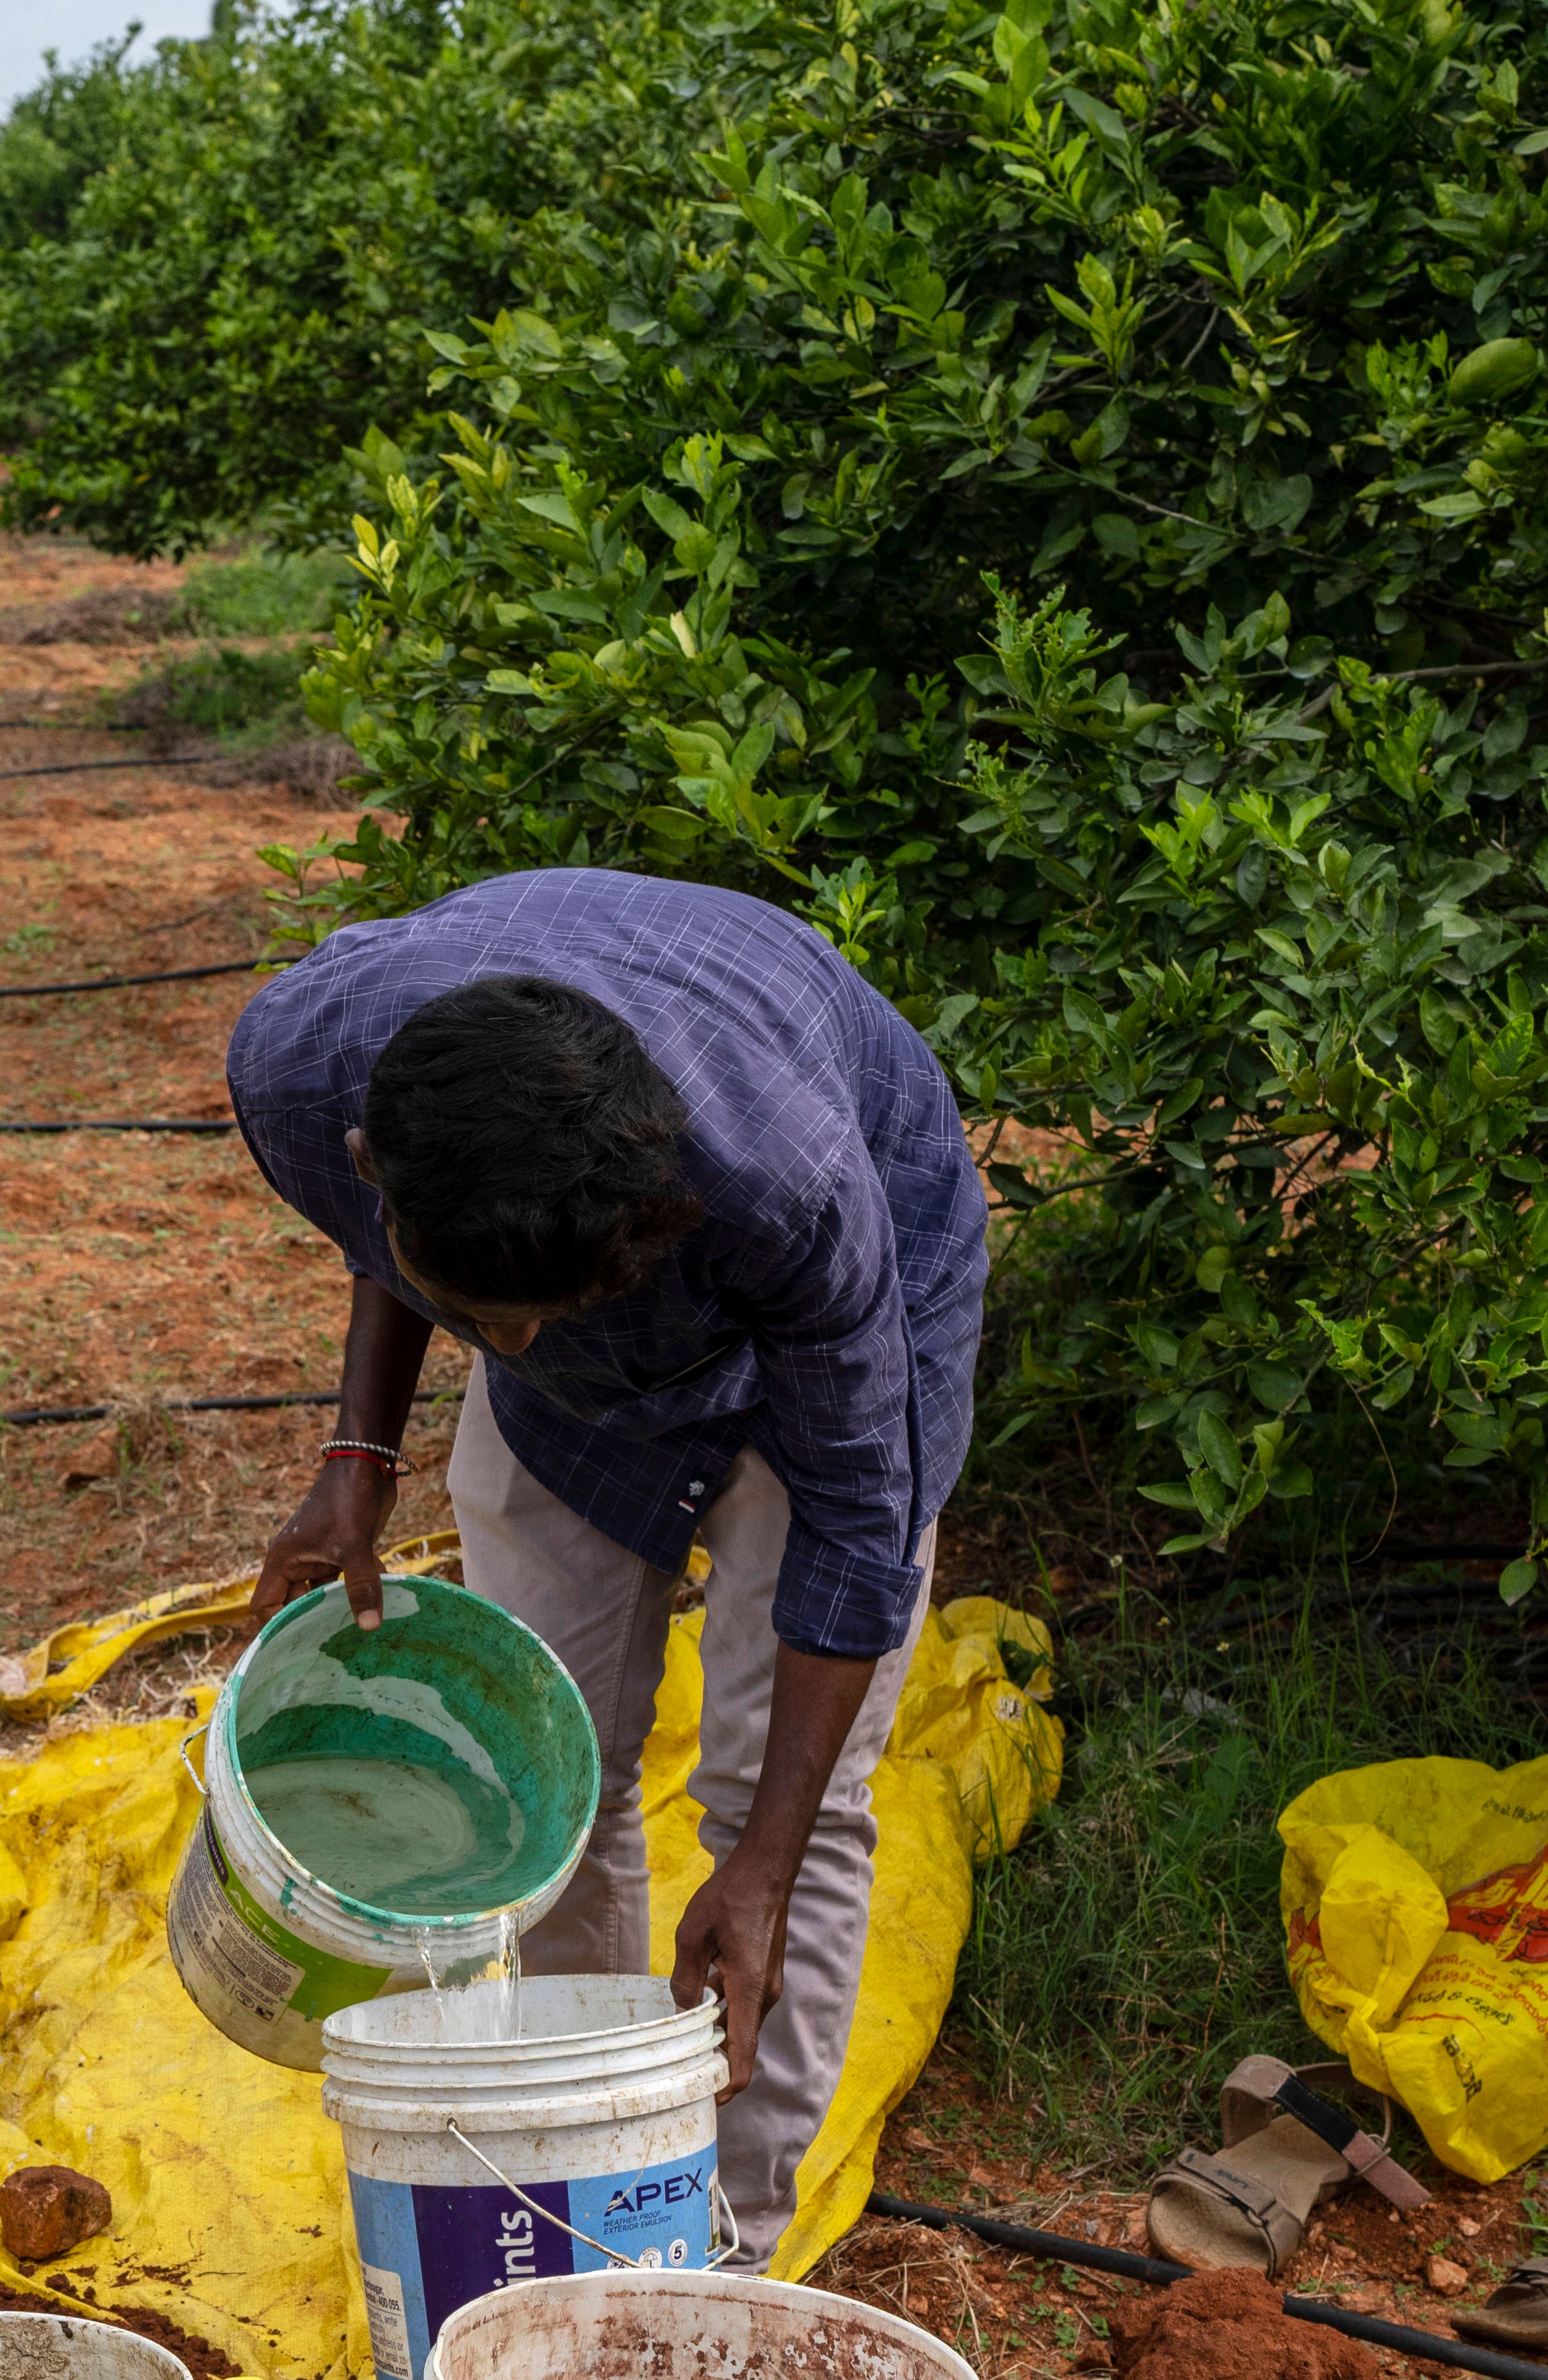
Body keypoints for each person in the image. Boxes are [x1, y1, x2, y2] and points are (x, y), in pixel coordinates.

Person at [231, 870, 986, 2261]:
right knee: (538, 1778)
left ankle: (716, 2250)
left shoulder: (791, 1186)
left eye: (546, 1314)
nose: (508, 1350)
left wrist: (759, 1860)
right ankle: (572, 2158)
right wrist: (357, 1459)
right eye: (484, 1317)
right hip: (560, 1253)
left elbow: (855, 1527)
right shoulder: (299, 1071)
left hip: (834, 1297)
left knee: (785, 1812)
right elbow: (388, 1241)